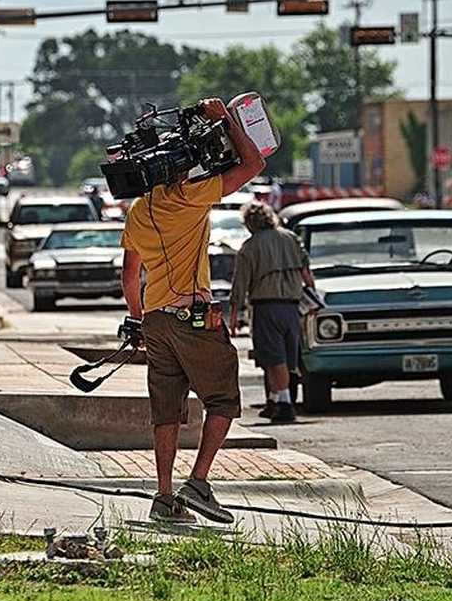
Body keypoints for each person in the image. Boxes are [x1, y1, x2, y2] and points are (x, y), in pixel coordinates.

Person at [120, 97, 265, 524]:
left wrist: (139, 319)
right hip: (192, 318)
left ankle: (164, 497)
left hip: (157, 320)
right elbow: (253, 164)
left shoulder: (138, 209)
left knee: (166, 412)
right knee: (223, 400)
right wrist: (224, 120)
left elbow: (131, 277)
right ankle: (198, 483)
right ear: (177, 167)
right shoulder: (189, 195)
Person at [228, 201, 316, 424]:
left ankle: (285, 404)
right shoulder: (290, 238)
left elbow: (240, 285)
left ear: (249, 223)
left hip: (266, 307)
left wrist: (234, 316)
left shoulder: (250, 247)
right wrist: (313, 298)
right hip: (292, 306)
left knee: (274, 358)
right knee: (287, 357)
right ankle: (275, 401)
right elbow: (306, 270)